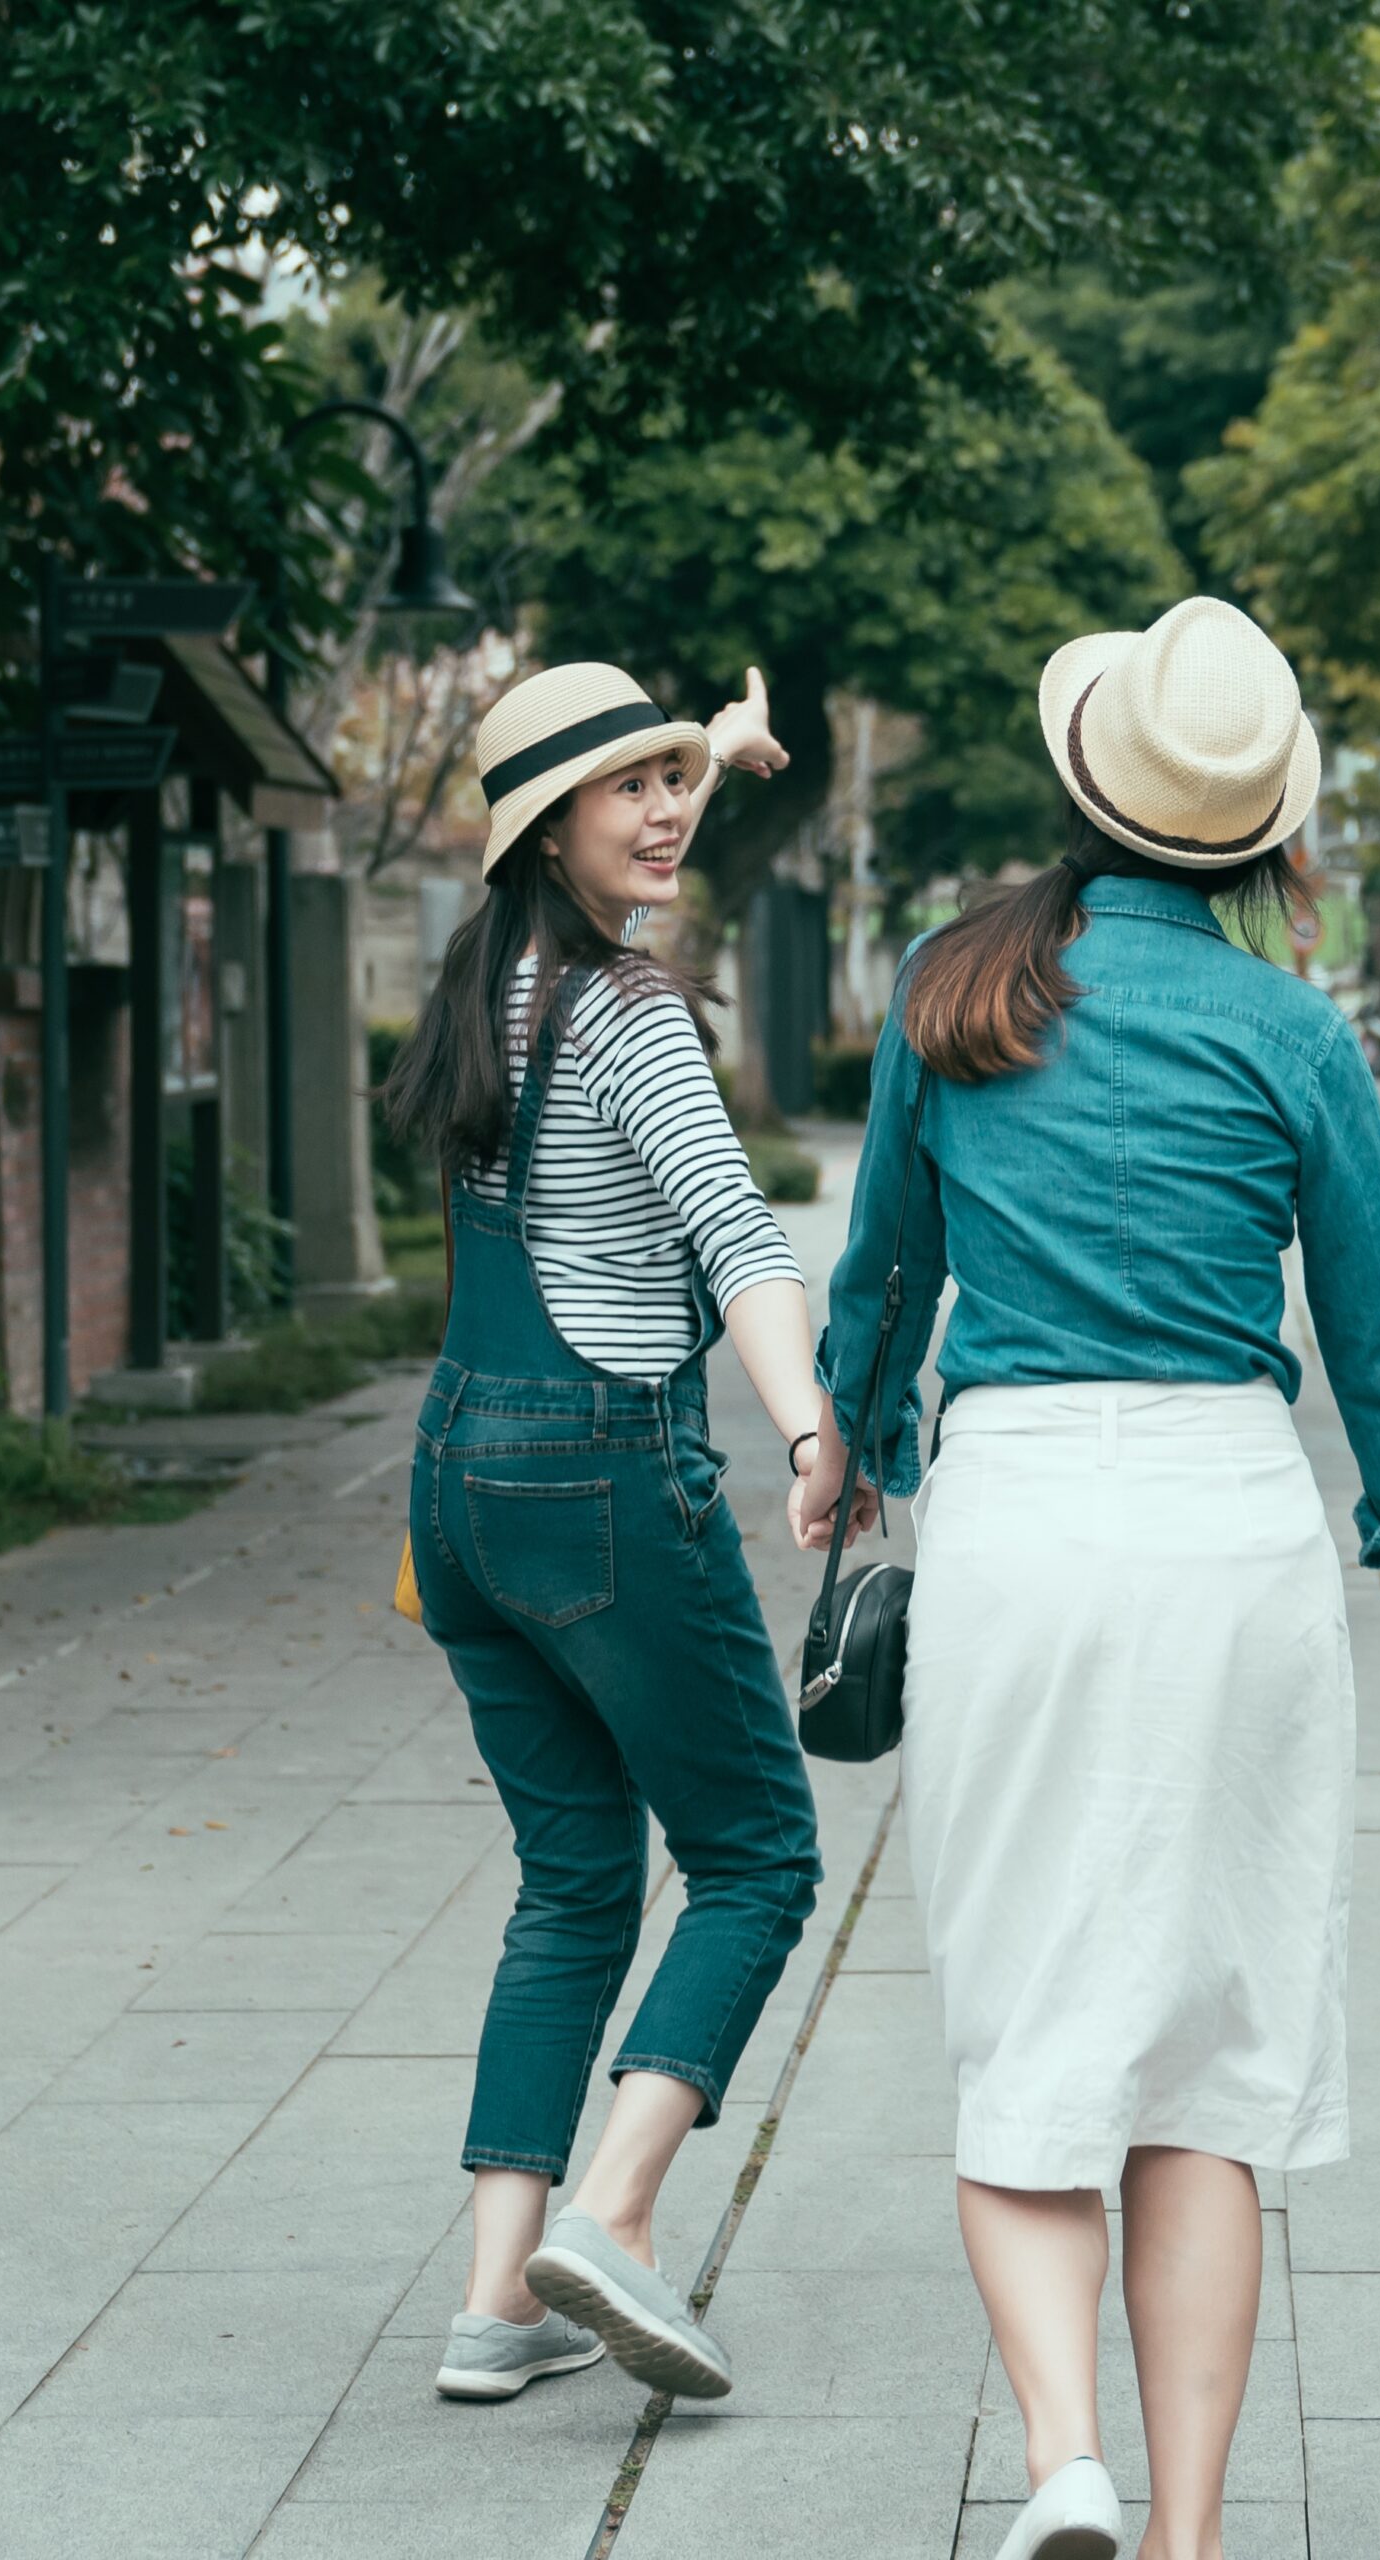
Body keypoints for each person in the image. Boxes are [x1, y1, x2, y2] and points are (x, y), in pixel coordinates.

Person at [809, 597, 1380, 2560]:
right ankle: (1189, 2537)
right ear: (1270, 835)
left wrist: (845, 1456)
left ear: (1080, 779)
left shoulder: (962, 989)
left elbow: (882, 1282)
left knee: (1030, 2011)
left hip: (1018, 1522)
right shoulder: (1296, 1033)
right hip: (1231, 1531)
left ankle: (1064, 2464)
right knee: (1211, 2049)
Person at [382, 660, 864, 2406]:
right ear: (550, 830)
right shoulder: (635, 1015)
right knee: (758, 1857)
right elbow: (734, 1232)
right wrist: (811, 1421)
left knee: (576, 1882)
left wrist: (715, 754)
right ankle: (617, 2211)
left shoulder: (485, 984)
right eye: (631, 792)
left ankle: (498, 2301)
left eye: (675, 780)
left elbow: (616, 858)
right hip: (597, 1475)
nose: (664, 813)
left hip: (456, 1484)